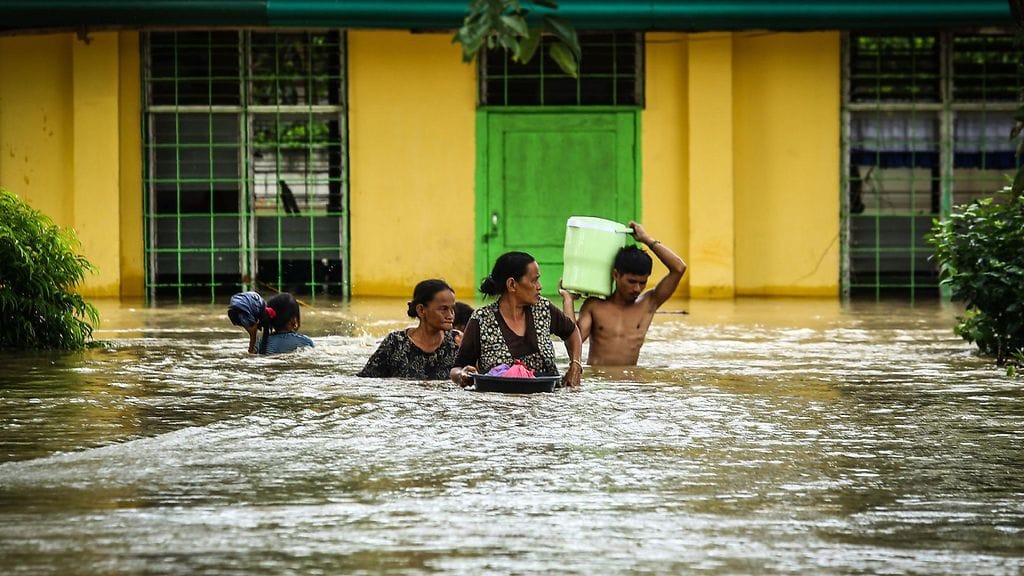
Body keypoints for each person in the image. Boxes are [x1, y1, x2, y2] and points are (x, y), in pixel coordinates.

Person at [559, 221, 686, 366]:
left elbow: (679, 268)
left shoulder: (648, 303)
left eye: (642, 282)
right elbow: (573, 344)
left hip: (630, 385)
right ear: (616, 275)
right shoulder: (594, 306)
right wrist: (568, 300)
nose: (637, 289)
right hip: (600, 384)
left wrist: (646, 239)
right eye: (631, 282)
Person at [451, 251, 583, 389]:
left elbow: (572, 331)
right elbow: (457, 368)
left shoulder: (544, 309)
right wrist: (462, 375)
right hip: (501, 406)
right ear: (512, 284)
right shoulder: (481, 319)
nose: (540, 286)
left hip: (545, 403)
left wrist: (576, 364)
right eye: (534, 280)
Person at [357, 279, 459, 380]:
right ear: (421, 310)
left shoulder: (457, 342)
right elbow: (366, 380)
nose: (450, 316)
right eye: (443, 309)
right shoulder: (396, 343)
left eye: (452, 309)